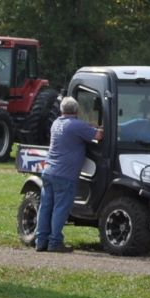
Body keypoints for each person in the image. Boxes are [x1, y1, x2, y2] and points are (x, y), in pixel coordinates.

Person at [36, 96, 99, 252]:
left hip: (48, 171)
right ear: (76, 110)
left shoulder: (56, 123)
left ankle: (40, 241)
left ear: (61, 110)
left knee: (45, 207)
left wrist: (87, 126)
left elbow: (76, 130)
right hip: (65, 175)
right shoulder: (76, 125)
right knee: (60, 208)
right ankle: (55, 242)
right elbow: (98, 136)